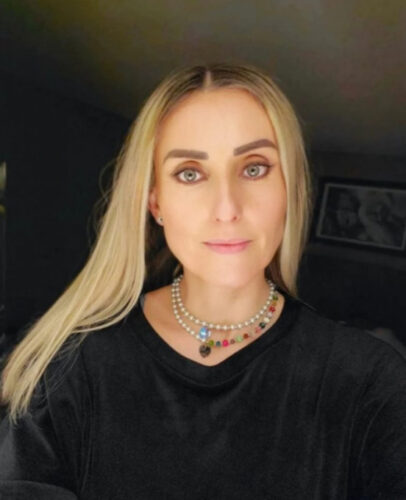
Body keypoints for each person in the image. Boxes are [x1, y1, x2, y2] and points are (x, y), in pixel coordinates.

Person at [0, 63, 405, 499]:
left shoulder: (370, 381)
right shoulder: (69, 366)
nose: (227, 208)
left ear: (289, 189)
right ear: (156, 203)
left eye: (254, 168)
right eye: (190, 173)